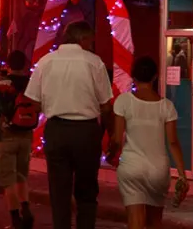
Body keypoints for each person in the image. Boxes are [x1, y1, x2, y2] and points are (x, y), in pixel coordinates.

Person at [25, 21, 113, 229]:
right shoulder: (94, 62)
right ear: (83, 39)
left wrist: (51, 104)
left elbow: (33, 100)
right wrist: (110, 133)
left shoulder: (46, 61)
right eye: (90, 41)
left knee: (59, 191)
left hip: (57, 130)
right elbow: (106, 104)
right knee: (87, 190)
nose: (91, 45)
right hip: (86, 131)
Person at [109, 56, 186, 229]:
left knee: (135, 221)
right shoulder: (166, 106)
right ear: (155, 76)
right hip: (158, 169)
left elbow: (117, 139)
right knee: (154, 221)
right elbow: (173, 142)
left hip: (132, 167)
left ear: (133, 76)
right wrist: (182, 175)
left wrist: (111, 155)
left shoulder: (124, 101)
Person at [0, 50, 35, 229]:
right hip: (26, 135)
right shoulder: (31, 83)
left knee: (7, 179)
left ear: (8, 64)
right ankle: (26, 207)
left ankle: (15, 218)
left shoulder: (1, 83)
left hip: (6, 135)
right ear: (25, 64)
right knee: (21, 174)